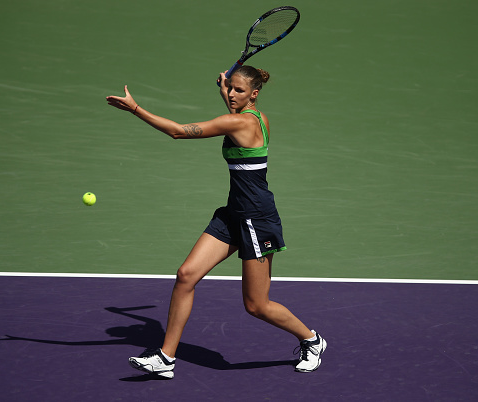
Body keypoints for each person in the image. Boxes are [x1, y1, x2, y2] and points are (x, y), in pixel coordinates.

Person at [106, 66, 326, 379]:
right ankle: (166, 358)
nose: (231, 95)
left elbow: (178, 131)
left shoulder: (238, 122)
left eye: (238, 90)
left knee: (256, 305)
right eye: (229, 89)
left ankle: (312, 340)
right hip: (232, 213)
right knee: (186, 275)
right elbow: (234, 108)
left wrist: (136, 109)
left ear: (254, 94)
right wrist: (225, 88)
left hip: (256, 220)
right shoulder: (256, 117)